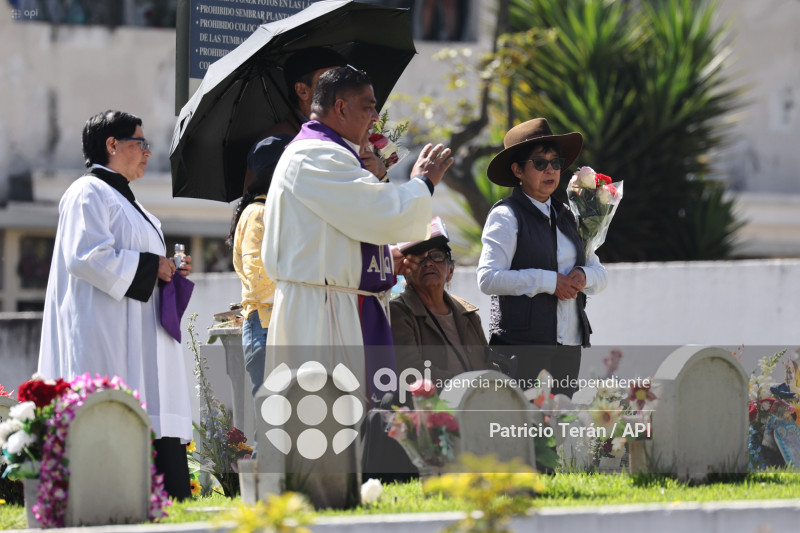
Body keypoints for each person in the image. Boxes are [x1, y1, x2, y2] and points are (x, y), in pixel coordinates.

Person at [261, 65, 454, 403]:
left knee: (359, 423)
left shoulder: (333, 154)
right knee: (327, 424)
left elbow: (349, 226)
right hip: (323, 315)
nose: (376, 117)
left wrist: (381, 257)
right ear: (340, 107)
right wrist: (422, 181)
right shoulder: (316, 154)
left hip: (345, 303)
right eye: (368, 106)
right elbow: (378, 212)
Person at [37, 110, 194, 500]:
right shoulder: (86, 192)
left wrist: (170, 269)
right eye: (140, 143)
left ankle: (164, 491)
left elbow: (139, 265)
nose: (147, 152)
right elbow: (85, 257)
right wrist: (149, 266)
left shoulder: (136, 208)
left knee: (151, 412)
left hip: (140, 337)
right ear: (112, 145)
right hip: (104, 335)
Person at [477, 118, 607, 398]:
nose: (550, 170)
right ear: (517, 170)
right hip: (523, 347)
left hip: (570, 344)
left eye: (556, 162)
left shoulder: (570, 216)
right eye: (539, 163)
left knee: (561, 430)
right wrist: (550, 282)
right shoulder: (506, 215)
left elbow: (600, 275)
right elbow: (487, 279)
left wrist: (585, 276)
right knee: (525, 434)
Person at [227, 134, 291, 400]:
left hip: (281, 326)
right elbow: (260, 281)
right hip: (266, 327)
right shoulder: (257, 214)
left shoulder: (279, 211)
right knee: (272, 426)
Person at [391, 217, 488, 387]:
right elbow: (411, 372)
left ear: (450, 270)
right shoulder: (398, 312)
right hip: (430, 409)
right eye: (419, 259)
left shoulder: (469, 314)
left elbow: (488, 363)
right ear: (406, 272)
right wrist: (465, 386)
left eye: (436, 256)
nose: (428, 263)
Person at [241, 47, 349, 195]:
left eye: (343, 80)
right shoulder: (275, 143)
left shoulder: (338, 133)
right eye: (330, 81)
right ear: (302, 91)